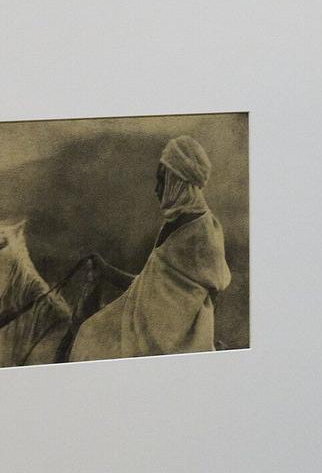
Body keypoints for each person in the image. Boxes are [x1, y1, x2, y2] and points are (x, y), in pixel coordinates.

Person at [70, 135, 232, 360]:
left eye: (162, 181)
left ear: (178, 181)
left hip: (169, 340)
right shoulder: (177, 224)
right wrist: (105, 270)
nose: (157, 190)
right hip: (152, 327)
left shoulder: (202, 232)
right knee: (90, 330)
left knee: (90, 335)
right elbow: (148, 288)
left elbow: (204, 297)